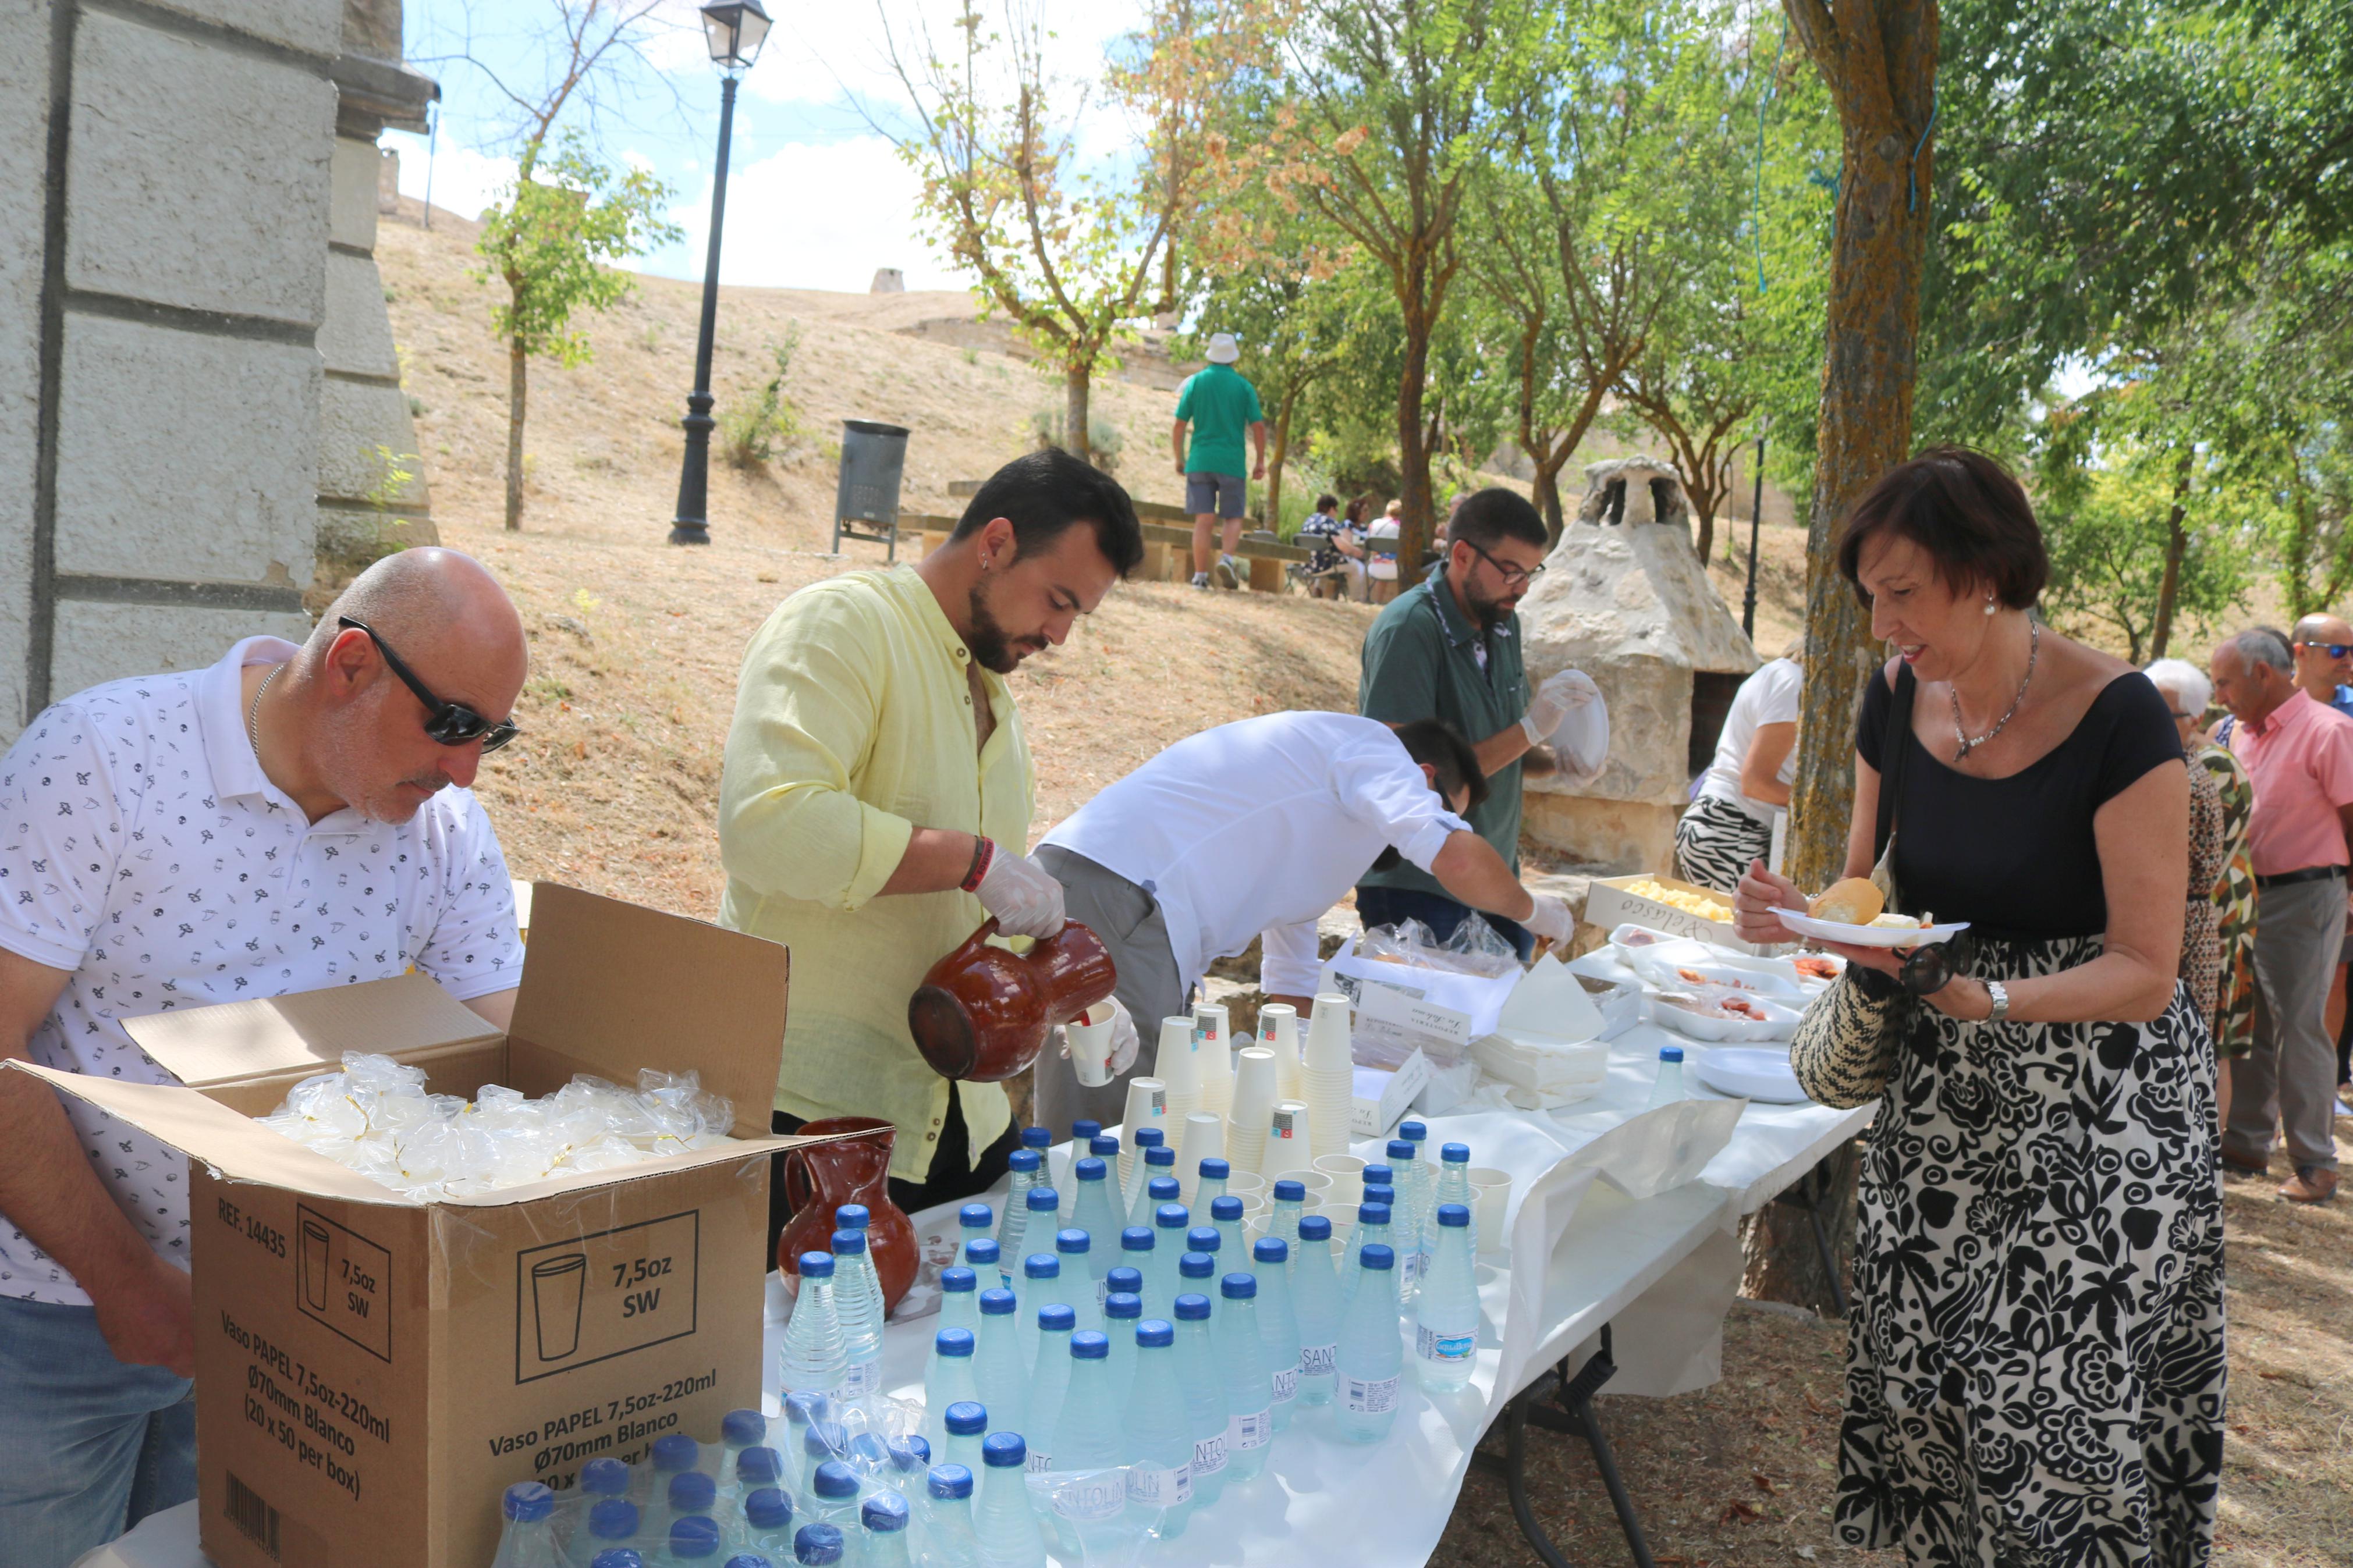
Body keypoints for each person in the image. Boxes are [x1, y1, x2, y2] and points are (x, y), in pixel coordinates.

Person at [1733, 447, 2221, 1567]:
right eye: (1868, 596)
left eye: (1901, 592)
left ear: (1987, 571)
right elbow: (1868, 891)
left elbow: (2146, 969)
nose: (1880, 624)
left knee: (2053, 1417)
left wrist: (1989, 998)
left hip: (2097, 1119)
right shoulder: (1894, 694)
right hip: (1942, 1117)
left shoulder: (2119, 717)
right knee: (1921, 1394)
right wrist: (1797, 917)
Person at [0, 549, 528, 1563]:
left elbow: (509, 1061)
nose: (464, 770)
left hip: (289, 1331)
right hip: (49, 1309)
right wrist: (130, 1286)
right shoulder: (104, 762)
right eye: (453, 726)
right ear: (352, 666)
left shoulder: (444, 830)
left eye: (491, 738)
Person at [718, 450, 1146, 1250]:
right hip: (815, 1131)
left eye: (1076, 615)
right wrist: (971, 859)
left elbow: (975, 914)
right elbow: (765, 823)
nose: (1057, 634)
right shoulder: (845, 624)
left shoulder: (995, 705)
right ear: (994, 543)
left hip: (965, 1131)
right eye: (1057, 601)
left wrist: (1066, 994)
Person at [1030, 713, 1576, 1127]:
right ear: (1422, 776)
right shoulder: (1375, 751)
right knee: (1099, 1145)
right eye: (1443, 811)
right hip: (1122, 901)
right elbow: (1455, 857)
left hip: (1124, 902)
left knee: (1130, 1133)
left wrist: (1349, 1068)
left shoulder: (1314, 798)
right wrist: (1532, 910)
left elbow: (1289, 983)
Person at [1357, 488, 1600, 961]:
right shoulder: (1409, 629)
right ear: (1462, 554)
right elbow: (1408, 780)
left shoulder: (1503, 622)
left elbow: (1498, 743)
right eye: (1511, 571)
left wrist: (1555, 762)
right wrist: (1531, 728)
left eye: (1531, 573)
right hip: (1420, 885)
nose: (1522, 587)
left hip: (1494, 880)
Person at [2209, 624, 2353, 1203]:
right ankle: (2244, 1143)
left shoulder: (2328, 731)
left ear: (2260, 674)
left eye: (2223, 681)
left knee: (2298, 1023)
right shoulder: (2237, 733)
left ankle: (2315, 1162)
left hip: (2307, 892)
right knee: (2253, 1021)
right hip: (2250, 896)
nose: (2218, 693)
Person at [2148, 656, 2258, 1123]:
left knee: (2207, 1045)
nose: (2145, 721)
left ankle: (2207, 1163)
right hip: (2181, 917)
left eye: (2160, 713)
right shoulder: (2167, 758)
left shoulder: (2207, 769)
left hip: (2212, 923)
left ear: (2195, 718)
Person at [1674, 639, 1802, 893]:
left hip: (1720, 824)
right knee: (1736, 932)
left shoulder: (1777, 673)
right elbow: (1756, 783)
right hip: (1733, 829)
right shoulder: (1792, 683)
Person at [1172, 332, 1267, 590]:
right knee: (1233, 515)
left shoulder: (1196, 383)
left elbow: (1179, 424)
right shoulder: (1244, 386)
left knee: (1203, 520)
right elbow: (1258, 427)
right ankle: (1226, 558)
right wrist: (1260, 461)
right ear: (1234, 358)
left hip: (1200, 459)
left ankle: (1200, 577)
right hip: (1231, 462)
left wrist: (1180, 458)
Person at [1295, 493, 1365, 601]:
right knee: (1357, 567)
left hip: (1307, 565)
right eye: (1336, 510)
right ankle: (1357, 600)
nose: (1337, 513)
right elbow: (1341, 545)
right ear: (1331, 509)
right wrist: (1354, 550)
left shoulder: (1309, 521)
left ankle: (1317, 594)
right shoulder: (1328, 522)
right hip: (1324, 565)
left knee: (1326, 560)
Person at [1364, 500, 1404, 605]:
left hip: (1374, 569)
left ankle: (1378, 601)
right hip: (1398, 570)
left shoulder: (1375, 524)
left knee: (1380, 562)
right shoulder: (1404, 528)